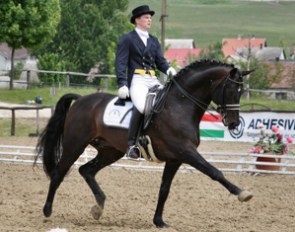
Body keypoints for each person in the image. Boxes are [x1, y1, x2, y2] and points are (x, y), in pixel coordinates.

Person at [115, 5, 176, 159]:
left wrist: (169, 70)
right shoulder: (128, 39)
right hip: (137, 79)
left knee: (167, 102)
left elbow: (160, 62)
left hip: (152, 79)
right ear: (137, 20)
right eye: (146, 17)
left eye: (150, 17)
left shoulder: (154, 40)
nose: (149, 20)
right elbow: (120, 63)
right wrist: (122, 83)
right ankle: (131, 146)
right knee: (142, 107)